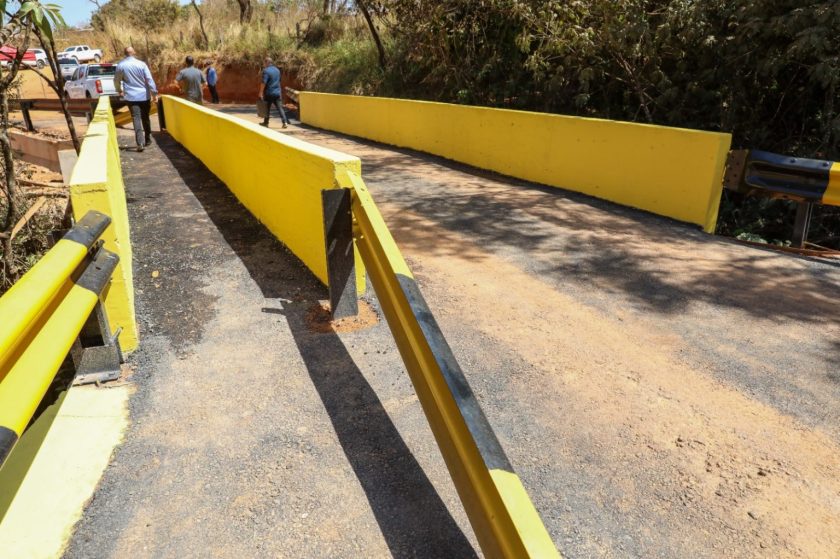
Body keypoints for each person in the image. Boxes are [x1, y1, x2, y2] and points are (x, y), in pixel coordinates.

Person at [114, 46, 157, 152]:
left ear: (125, 53)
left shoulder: (121, 65)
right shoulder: (142, 65)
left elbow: (116, 80)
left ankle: (140, 143)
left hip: (131, 96)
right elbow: (149, 79)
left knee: (136, 118)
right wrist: (154, 93)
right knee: (145, 117)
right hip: (144, 95)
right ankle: (147, 139)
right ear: (134, 52)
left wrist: (119, 90)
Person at [259, 57, 289, 129]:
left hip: (269, 92)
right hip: (277, 92)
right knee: (280, 108)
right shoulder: (277, 70)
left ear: (267, 62)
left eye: (264, 63)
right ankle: (285, 122)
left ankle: (266, 123)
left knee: (267, 108)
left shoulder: (266, 71)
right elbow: (279, 81)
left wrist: (260, 92)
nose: (264, 64)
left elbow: (263, 82)